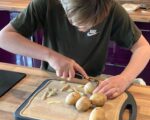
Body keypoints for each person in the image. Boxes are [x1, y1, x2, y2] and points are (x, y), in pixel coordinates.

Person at [0, 0, 150, 99]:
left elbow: (144, 47)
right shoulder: (46, 3)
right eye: (77, 23)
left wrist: (125, 78)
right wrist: (51, 56)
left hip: (91, 85)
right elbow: (4, 37)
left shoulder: (112, 9)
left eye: (93, 24)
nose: (85, 30)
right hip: (51, 82)